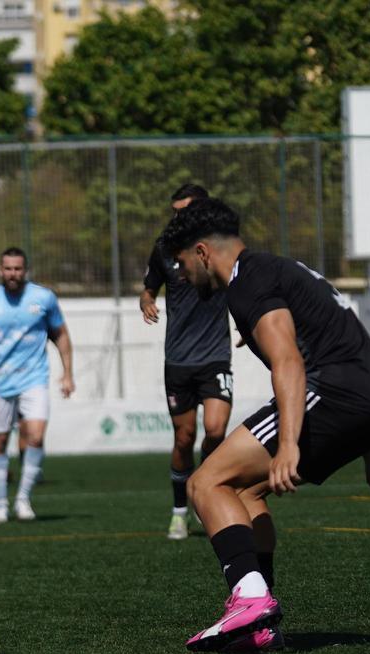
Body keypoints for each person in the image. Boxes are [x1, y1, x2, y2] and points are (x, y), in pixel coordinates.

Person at [158, 197, 370, 654]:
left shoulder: (248, 280)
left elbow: (288, 359)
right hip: (369, 396)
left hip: (334, 393)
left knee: (206, 481)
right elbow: (348, 344)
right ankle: (259, 625)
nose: (182, 274)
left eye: (183, 261)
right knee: (245, 491)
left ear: (204, 252)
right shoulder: (280, 270)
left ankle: (249, 598)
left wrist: (288, 442)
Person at [140, 183, 233, 541]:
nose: (179, 216)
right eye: (175, 210)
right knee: (184, 437)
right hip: (178, 359)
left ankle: (207, 494)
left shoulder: (221, 247)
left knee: (214, 430)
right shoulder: (165, 248)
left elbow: (241, 285)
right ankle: (179, 512)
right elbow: (149, 287)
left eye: (186, 209)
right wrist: (146, 300)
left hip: (215, 356)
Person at [0, 247, 73, 523]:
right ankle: (0, 504)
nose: (13, 274)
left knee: (35, 436)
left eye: (18, 269)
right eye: (8, 269)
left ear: (25, 270)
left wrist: (68, 373)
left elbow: (60, 334)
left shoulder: (43, 298)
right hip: (0, 382)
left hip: (35, 378)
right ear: (0, 270)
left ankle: (23, 499)